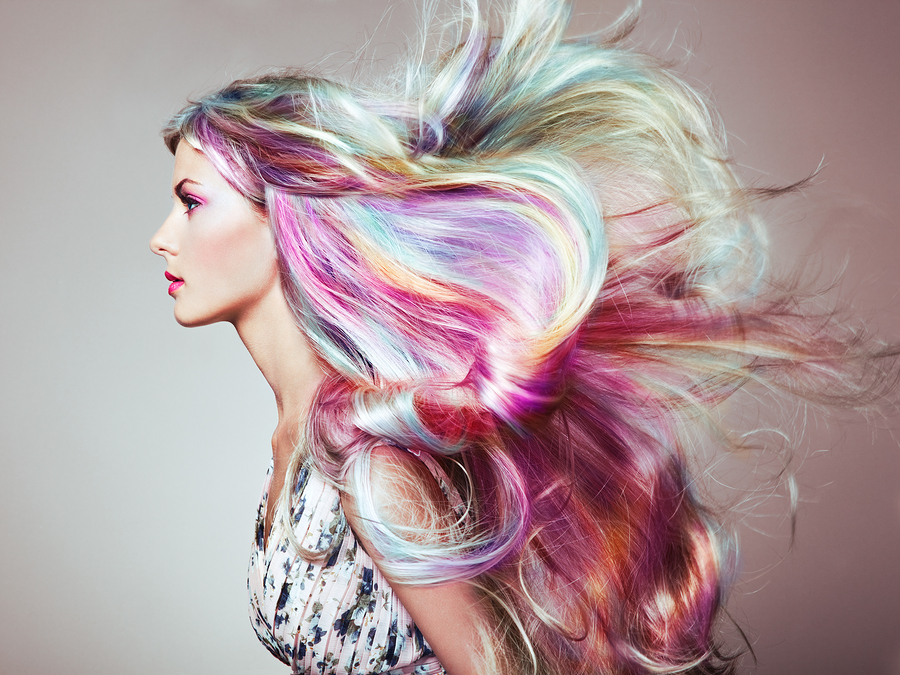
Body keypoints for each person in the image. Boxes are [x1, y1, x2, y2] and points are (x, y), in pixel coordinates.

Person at [150, 1, 895, 673]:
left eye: (191, 202)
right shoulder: (299, 443)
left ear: (282, 217)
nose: (161, 238)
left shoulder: (367, 466)